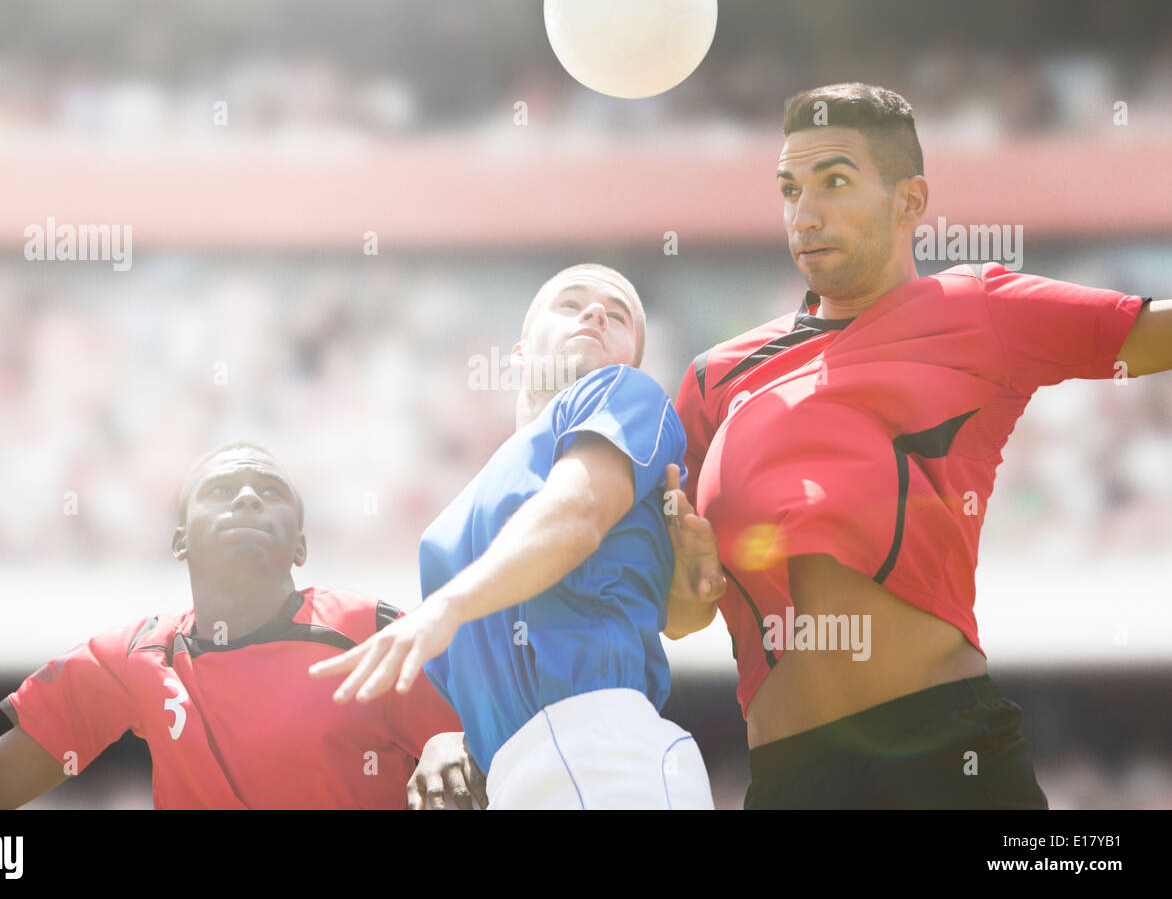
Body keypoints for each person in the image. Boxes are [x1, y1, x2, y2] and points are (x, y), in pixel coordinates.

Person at [668, 82, 1172, 808]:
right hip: (791, 779)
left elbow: (1152, 334)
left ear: (909, 201)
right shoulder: (714, 379)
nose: (804, 215)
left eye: (835, 181)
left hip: (950, 759)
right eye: (789, 189)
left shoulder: (980, 308)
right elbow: (680, 616)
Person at [311, 264, 714, 809]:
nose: (596, 312)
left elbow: (577, 515)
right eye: (571, 304)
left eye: (617, 316)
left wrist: (447, 607)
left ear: (629, 364)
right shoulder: (447, 533)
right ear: (521, 352)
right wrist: (451, 742)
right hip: (516, 780)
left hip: (608, 754)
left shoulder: (624, 393)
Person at [0, 442, 464, 808]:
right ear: (180, 539)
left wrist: (451, 741)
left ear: (302, 545)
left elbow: (503, 755)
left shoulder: (376, 633)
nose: (249, 498)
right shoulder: (131, 658)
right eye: (221, 489)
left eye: (272, 491)